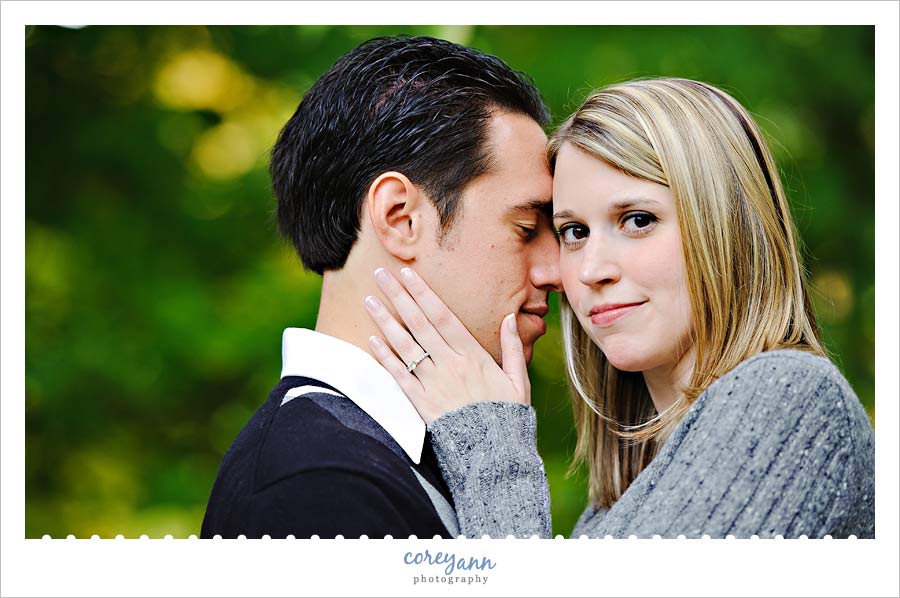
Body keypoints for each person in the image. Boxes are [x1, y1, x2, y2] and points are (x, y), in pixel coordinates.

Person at [366, 78, 876, 538]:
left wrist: (492, 450)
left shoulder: (790, 398)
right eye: (574, 232)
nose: (590, 270)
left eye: (636, 220)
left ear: (726, 228)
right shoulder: (616, 502)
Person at [200, 35, 562, 539]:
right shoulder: (316, 485)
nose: (558, 272)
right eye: (525, 229)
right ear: (400, 217)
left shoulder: (381, 453)